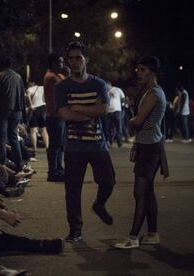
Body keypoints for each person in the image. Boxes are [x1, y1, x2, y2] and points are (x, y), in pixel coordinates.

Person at [55, 41, 116, 242]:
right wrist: (90, 110)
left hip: (97, 143)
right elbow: (65, 115)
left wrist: (78, 108)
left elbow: (103, 110)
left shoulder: (98, 83)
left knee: (108, 180)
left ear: (86, 60)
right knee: (72, 190)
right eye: (70, 58)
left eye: (78, 58)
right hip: (73, 146)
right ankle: (75, 229)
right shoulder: (62, 86)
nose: (74, 62)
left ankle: (99, 204)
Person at [113, 56, 168, 249]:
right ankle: (152, 233)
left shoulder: (154, 93)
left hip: (151, 148)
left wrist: (129, 121)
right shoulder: (150, 92)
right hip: (148, 145)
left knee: (140, 193)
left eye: (142, 69)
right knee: (148, 192)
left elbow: (137, 122)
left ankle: (133, 238)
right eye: (137, 69)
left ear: (152, 71)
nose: (138, 72)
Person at [0, 55, 26, 173]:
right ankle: (19, 164)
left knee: (2, 139)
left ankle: (2, 165)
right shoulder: (18, 77)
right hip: (17, 111)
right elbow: (22, 95)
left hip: (2, 111)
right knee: (14, 137)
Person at [43, 53, 66, 182]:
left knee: (59, 144)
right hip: (54, 115)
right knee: (55, 145)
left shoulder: (58, 76)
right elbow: (67, 86)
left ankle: (58, 168)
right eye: (60, 62)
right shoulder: (51, 77)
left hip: (59, 115)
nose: (62, 64)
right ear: (53, 63)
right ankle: (53, 171)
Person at [26, 80, 49, 160]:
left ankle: (35, 150)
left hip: (34, 109)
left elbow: (28, 95)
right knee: (44, 130)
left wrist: (31, 105)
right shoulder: (42, 88)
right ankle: (47, 148)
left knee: (33, 131)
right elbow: (47, 95)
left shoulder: (29, 89)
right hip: (43, 108)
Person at [106, 81, 125, 147]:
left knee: (118, 127)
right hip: (108, 112)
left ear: (109, 84)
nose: (106, 87)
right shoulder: (105, 91)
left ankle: (120, 142)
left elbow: (123, 98)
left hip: (117, 111)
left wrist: (122, 106)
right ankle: (110, 142)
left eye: (106, 85)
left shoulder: (117, 89)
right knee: (109, 128)